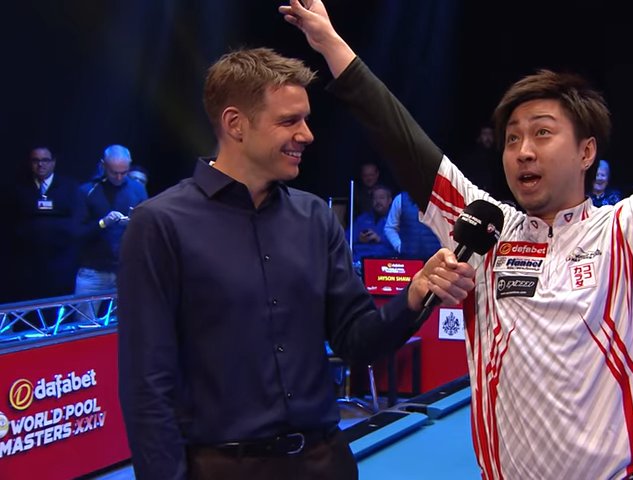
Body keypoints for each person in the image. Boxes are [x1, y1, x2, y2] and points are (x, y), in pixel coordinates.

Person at [282, 1, 633, 478]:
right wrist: (330, 42)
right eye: (512, 138)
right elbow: (398, 133)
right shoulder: (483, 224)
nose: (523, 151)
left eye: (542, 133)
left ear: (586, 152)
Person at [117, 47, 476, 480]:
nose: (307, 135)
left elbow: (356, 341)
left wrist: (415, 294)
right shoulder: (160, 224)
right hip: (220, 467)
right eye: (289, 121)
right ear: (235, 124)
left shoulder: (315, 218)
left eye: (305, 120)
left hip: (324, 462)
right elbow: (146, 383)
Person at [74, 145, 147, 319]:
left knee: (124, 324)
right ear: (103, 165)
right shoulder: (87, 191)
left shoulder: (137, 190)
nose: (119, 177)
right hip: (92, 271)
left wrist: (135, 223)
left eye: (124, 172)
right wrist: (102, 223)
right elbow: (77, 233)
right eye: (114, 173)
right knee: (84, 324)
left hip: (125, 270)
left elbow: (148, 229)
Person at [5, 147, 82, 302]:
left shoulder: (69, 187)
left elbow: (76, 220)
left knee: (58, 306)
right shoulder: (18, 188)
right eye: (36, 160)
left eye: (45, 160)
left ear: (53, 162)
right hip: (27, 264)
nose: (40, 164)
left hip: (60, 263)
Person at [384, 190, 442, 260]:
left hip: (437, 258)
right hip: (409, 259)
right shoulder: (400, 199)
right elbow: (390, 228)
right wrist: (400, 247)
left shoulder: (439, 198)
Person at [351, 184, 396, 262]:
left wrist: (379, 239)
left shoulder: (396, 220)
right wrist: (358, 238)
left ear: (389, 200)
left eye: (381, 198)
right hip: (358, 260)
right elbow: (346, 238)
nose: (378, 201)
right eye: (375, 198)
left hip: (383, 261)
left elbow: (403, 245)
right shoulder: (362, 218)